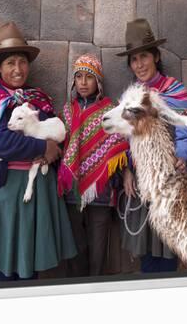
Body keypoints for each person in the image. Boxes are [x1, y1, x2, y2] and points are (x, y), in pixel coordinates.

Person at [0, 21, 77, 282]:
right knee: (5, 264)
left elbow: (56, 130)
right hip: (6, 190)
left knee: (31, 262)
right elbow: (0, 143)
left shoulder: (38, 99)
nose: (17, 69)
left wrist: (54, 147)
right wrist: (43, 146)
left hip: (37, 189)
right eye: (10, 63)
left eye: (22, 62)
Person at [116, 18, 187, 273]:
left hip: (171, 182)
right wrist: (128, 169)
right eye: (134, 60)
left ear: (156, 56)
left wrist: (181, 155)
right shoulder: (132, 97)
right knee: (148, 252)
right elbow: (127, 140)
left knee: (167, 252)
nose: (139, 64)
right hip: (144, 184)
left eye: (143, 57)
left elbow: (186, 131)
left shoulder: (174, 90)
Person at [57, 54, 130, 276]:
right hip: (71, 192)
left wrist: (124, 174)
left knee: (98, 250)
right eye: (78, 77)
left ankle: (95, 289)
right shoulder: (67, 111)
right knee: (75, 249)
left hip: (101, 191)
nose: (83, 82)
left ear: (98, 81)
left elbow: (120, 147)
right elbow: (61, 144)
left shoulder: (111, 111)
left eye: (89, 77)